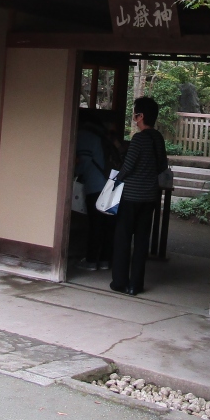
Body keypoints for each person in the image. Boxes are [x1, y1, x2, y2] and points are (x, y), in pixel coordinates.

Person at [110, 96, 168, 295]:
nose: (134, 117)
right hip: (149, 196)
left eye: (135, 113)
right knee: (142, 240)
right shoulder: (158, 138)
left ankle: (120, 281)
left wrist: (116, 181)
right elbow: (162, 166)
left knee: (123, 238)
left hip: (131, 196)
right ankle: (136, 284)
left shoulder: (139, 138)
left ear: (140, 116)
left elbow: (127, 167)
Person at [74, 112, 113, 271]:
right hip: (111, 185)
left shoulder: (84, 135)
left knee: (95, 225)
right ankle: (105, 260)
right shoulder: (105, 136)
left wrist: (74, 173)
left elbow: (83, 163)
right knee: (108, 225)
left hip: (95, 185)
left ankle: (91, 260)